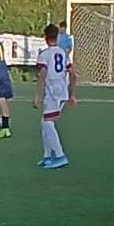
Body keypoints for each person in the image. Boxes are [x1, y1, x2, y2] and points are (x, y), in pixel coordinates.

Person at [34, 22, 75, 169]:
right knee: (44, 122)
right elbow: (72, 73)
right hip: (62, 90)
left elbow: (43, 74)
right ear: (57, 37)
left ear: (45, 38)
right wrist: (72, 94)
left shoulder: (44, 54)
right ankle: (47, 156)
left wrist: (37, 95)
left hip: (53, 91)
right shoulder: (63, 53)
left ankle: (60, 155)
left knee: (48, 122)